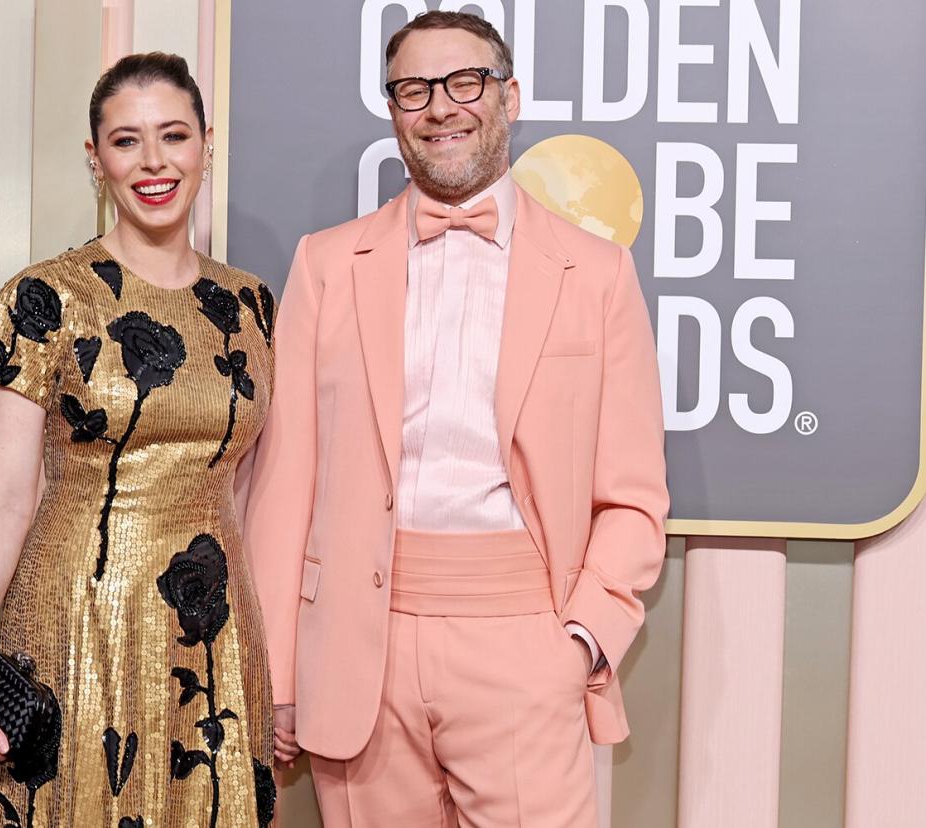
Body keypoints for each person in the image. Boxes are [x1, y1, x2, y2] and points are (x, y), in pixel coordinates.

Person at [245, 11, 668, 827]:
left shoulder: (599, 275)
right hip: (356, 646)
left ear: (508, 96)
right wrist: (281, 673)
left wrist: (576, 639)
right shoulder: (325, 264)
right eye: (414, 89)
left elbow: (634, 495)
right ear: (395, 111)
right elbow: (285, 484)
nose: (440, 107)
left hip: (522, 636)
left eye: (464, 82)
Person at [0, 52, 278, 828]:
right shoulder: (44, 297)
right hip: (77, 619)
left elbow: (258, 486)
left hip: (213, 633)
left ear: (206, 145)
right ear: (96, 160)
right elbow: (3, 493)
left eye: (174, 136)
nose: (154, 161)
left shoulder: (251, 304)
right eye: (127, 142)